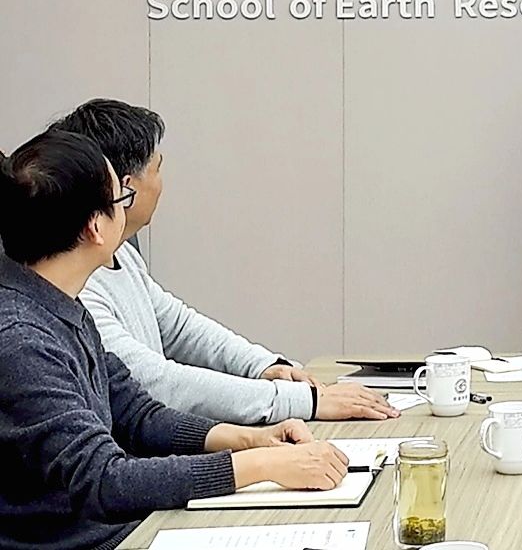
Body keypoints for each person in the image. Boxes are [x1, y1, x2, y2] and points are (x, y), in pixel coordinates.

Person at [0, 128, 352, 550]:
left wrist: (251, 439)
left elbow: (138, 415)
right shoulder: (21, 340)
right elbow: (104, 480)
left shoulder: (60, 304)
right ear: (95, 227)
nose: (127, 211)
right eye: (120, 200)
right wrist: (260, 465)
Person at [51, 99, 397, 426]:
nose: (162, 183)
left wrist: (264, 366)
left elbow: (179, 326)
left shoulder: (120, 252)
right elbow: (157, 384)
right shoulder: (76, 285)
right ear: (125, 190)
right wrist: (305, 402)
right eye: (158, 168)